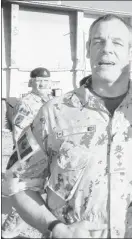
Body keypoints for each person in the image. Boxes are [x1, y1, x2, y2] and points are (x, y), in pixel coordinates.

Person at [2, 14, 132, 238]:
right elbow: (19, 182)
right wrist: (56, 228)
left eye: (117, 42)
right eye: (98, 41)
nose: (106, 49)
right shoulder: (54, 112)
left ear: (131, 52)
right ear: (87, 50)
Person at [2, 67, 53, 238]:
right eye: (39, 80)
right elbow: (20, 132)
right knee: (29, 192)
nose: (43, 84)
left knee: (46, 195)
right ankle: (8, 231)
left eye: (46, 81)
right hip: (32, 157)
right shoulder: (26, 103)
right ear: (31, 82)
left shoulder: (51, 101)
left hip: (49, 155)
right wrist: (29, 157)